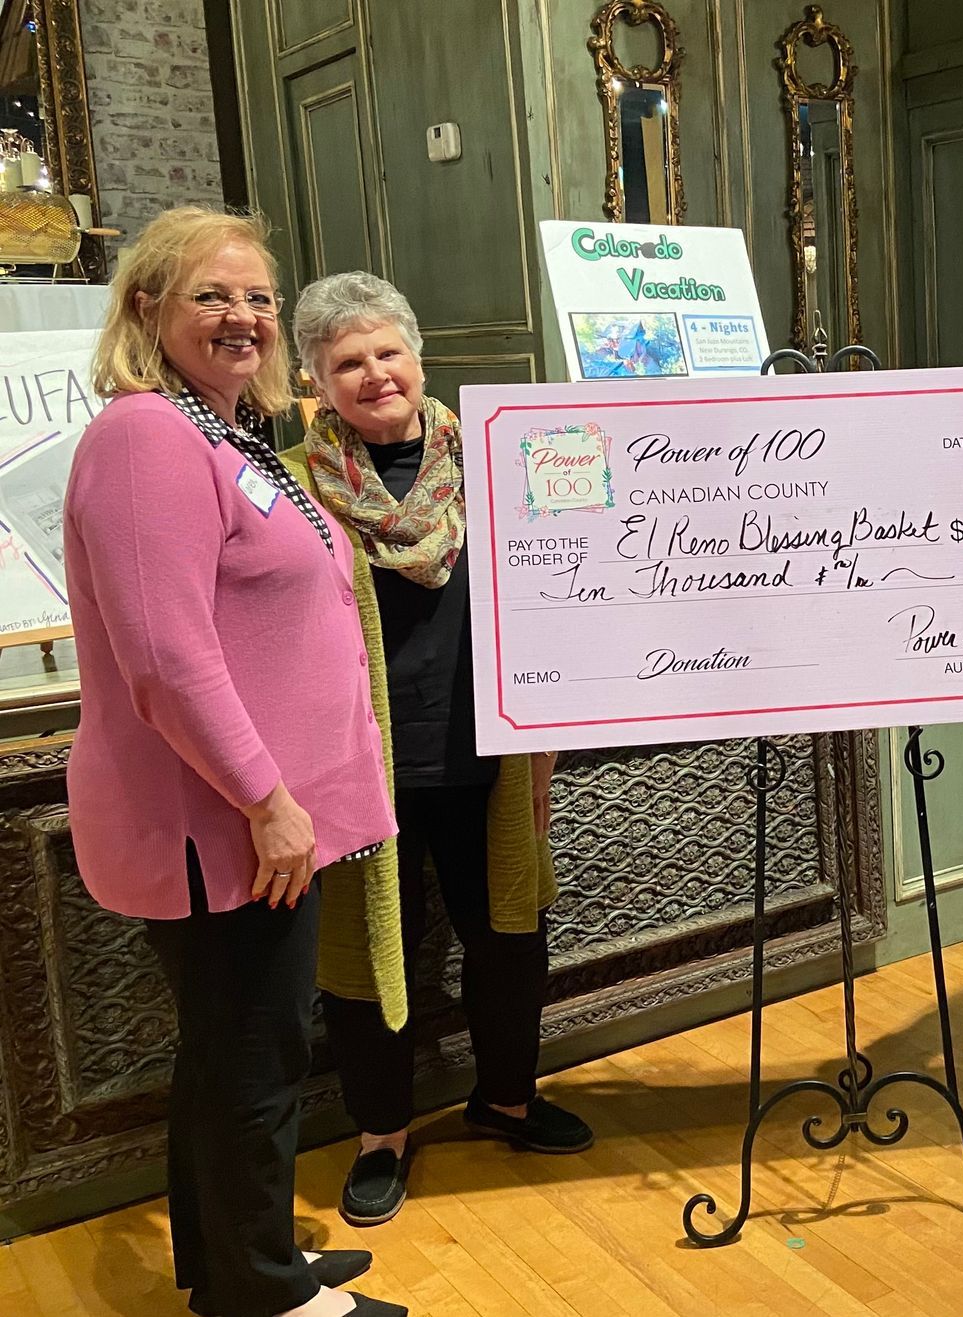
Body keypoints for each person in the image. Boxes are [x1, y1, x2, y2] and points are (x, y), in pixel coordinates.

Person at [64, 207, 405, 1317]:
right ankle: (267, 1296)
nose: (245, 316)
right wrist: (268, 800)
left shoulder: (218, 432)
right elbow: (165, 659)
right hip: (226, 827)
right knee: (256, 1063)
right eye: (213, 295)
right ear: (147, 309)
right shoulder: (145, 438)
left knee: (229, 1056)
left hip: (256, 820)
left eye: (258, 296)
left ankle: (236, 1261)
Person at [288, 271, 593, 1228]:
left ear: (419, 357)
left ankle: (505, 1096)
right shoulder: (296, 488)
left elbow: (569, 587)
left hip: (490, 753)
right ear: (317, 381)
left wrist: (551, 740)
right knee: (367, 954)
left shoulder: (505, 456)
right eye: (348, 362)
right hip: (359, 763)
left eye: (388, 352)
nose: (375, 374)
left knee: (511, 933)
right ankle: (382, 1132)